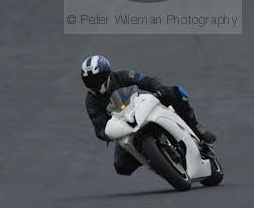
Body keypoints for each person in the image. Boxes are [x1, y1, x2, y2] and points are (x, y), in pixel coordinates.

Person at [82, 55, 216, 176]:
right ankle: (156, 160)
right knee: (121, 166)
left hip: (140, 108)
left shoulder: (121, 76)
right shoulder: (91, 101)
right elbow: (99, 125)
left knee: (174, 92)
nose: (93, 84)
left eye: (96, 79)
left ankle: (195, 126)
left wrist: (159, 88)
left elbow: (144, 80)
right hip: (124, 126)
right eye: (89, 81)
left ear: (106, 74)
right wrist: (106, 133)